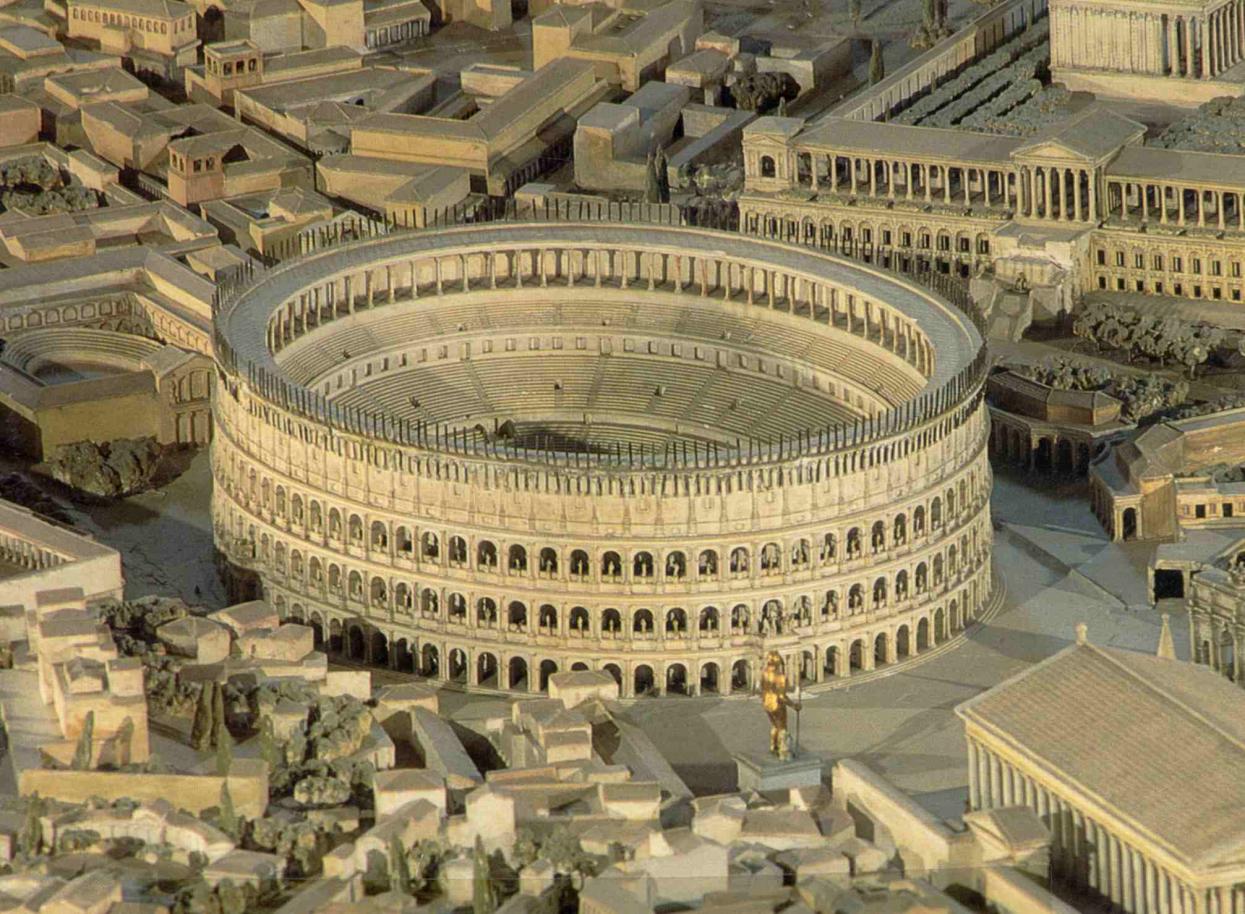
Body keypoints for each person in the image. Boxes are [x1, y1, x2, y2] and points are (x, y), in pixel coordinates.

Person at [760, 651, 802, 759]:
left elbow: (762, 688)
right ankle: (783, 751)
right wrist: (794, 705)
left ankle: (773, 746)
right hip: (777, 705)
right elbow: (782, 697)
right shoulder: (780, 677)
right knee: (782, 727)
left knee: (774, 725)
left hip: (767, 703)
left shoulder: (764, 673)